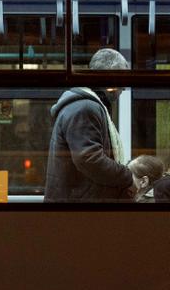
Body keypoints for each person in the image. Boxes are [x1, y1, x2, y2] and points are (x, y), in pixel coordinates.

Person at [44, 48, 135, 202]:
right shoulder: (85, 108)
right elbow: (90, 159)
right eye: (122, 80)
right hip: (79, 210)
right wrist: (127, 176)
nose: (124, 88)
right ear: (110, 77)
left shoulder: (87, 106)